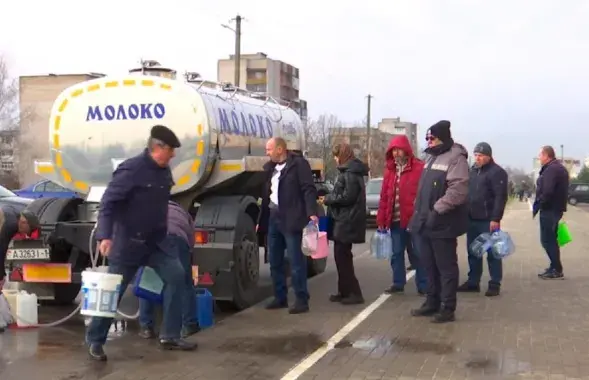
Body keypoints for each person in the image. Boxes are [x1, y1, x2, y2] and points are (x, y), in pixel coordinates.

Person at [87, 125, 196, 361]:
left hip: (157, 242)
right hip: (129, 244)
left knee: (177, 275)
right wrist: (104, 235)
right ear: (158, 148)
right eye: (171, 150)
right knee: (112, 292)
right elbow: (108, 203)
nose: (174, 155)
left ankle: (170, 335)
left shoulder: (164, 171)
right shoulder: (131, 170)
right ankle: (95, 341)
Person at [409, 120, 469, 323]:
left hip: (443, 223)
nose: (428, 141)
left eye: (431, 138)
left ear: (441, 137)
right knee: (428, 265)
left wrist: (437, 210)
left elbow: (458, 190)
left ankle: (447, 307)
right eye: (427, 138)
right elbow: (424, 189)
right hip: (425, 222)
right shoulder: (431, 157)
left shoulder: (455, 157)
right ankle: (431, 301)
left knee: (446, 267)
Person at [258, 137, 318, 314]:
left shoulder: (298, 165)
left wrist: (311, 212)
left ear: (279, 149)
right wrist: (260, 220)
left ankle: (301, 299)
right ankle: (280, 297)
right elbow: (266, 194)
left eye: (269, 149)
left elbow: (309, 189)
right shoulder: (270, 169)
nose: (266, 153)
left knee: (295, 260)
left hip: (291, 218)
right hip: (273, 217)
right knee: (275, 260)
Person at [138, 201, 200, 340]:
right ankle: (190, 325)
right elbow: (191, 239)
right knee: (183, 282)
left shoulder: (149, 206)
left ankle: (146, 327)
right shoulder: (183, 212)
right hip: (177, 239)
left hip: (153, 239)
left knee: (148, 281)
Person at [376, 135, 427, 295]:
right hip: (395, 220)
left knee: (418, 253)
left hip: (414, 220)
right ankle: (398, 283)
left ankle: (424, 284)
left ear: (406, 150)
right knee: (396, 253)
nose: (396, 154)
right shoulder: (390, 171)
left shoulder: (419, 168)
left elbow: (425, 193)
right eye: (393, 151)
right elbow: (384, 197)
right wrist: (381, 219)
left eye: (399, 150)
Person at [458, 142, 508, 297]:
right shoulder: (473, 171)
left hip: (488, 220)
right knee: (473, 251)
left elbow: (501, 197)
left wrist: (496, 218)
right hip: (472, 218)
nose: (477, 158)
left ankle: (494, 283)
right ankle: (473, 282)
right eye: (476, 155)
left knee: (493, 253)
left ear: (488, 156)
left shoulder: (497, 172)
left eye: (480, 155)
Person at [323, 143, 368, 305]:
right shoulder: (350, 171)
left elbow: (347, 197)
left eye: (336, 156)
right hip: (344, 220)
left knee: (343, 258)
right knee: (340, 258)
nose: (335, 159)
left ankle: (355, 293)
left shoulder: (350, 173)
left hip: (347, 221)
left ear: (342, 156)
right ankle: (344, 291)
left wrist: (328, 199)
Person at [533, 145, 569, 279]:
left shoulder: (552, 169)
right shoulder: (557, 168)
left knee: (547, 240)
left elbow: (547, 191)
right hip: (555, 208)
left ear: (547, 155)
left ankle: (557, 269)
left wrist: (540, 204)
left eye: (540, 155)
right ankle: (554, 266)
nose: (539, 157)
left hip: (550, 209)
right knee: (550, 239)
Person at [0, 207, 38, 289]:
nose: (26, 234)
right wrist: (1, 275)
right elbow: (1, 250)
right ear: (25, 223)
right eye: (28, 231)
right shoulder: (11, 225)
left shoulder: (16, 213)